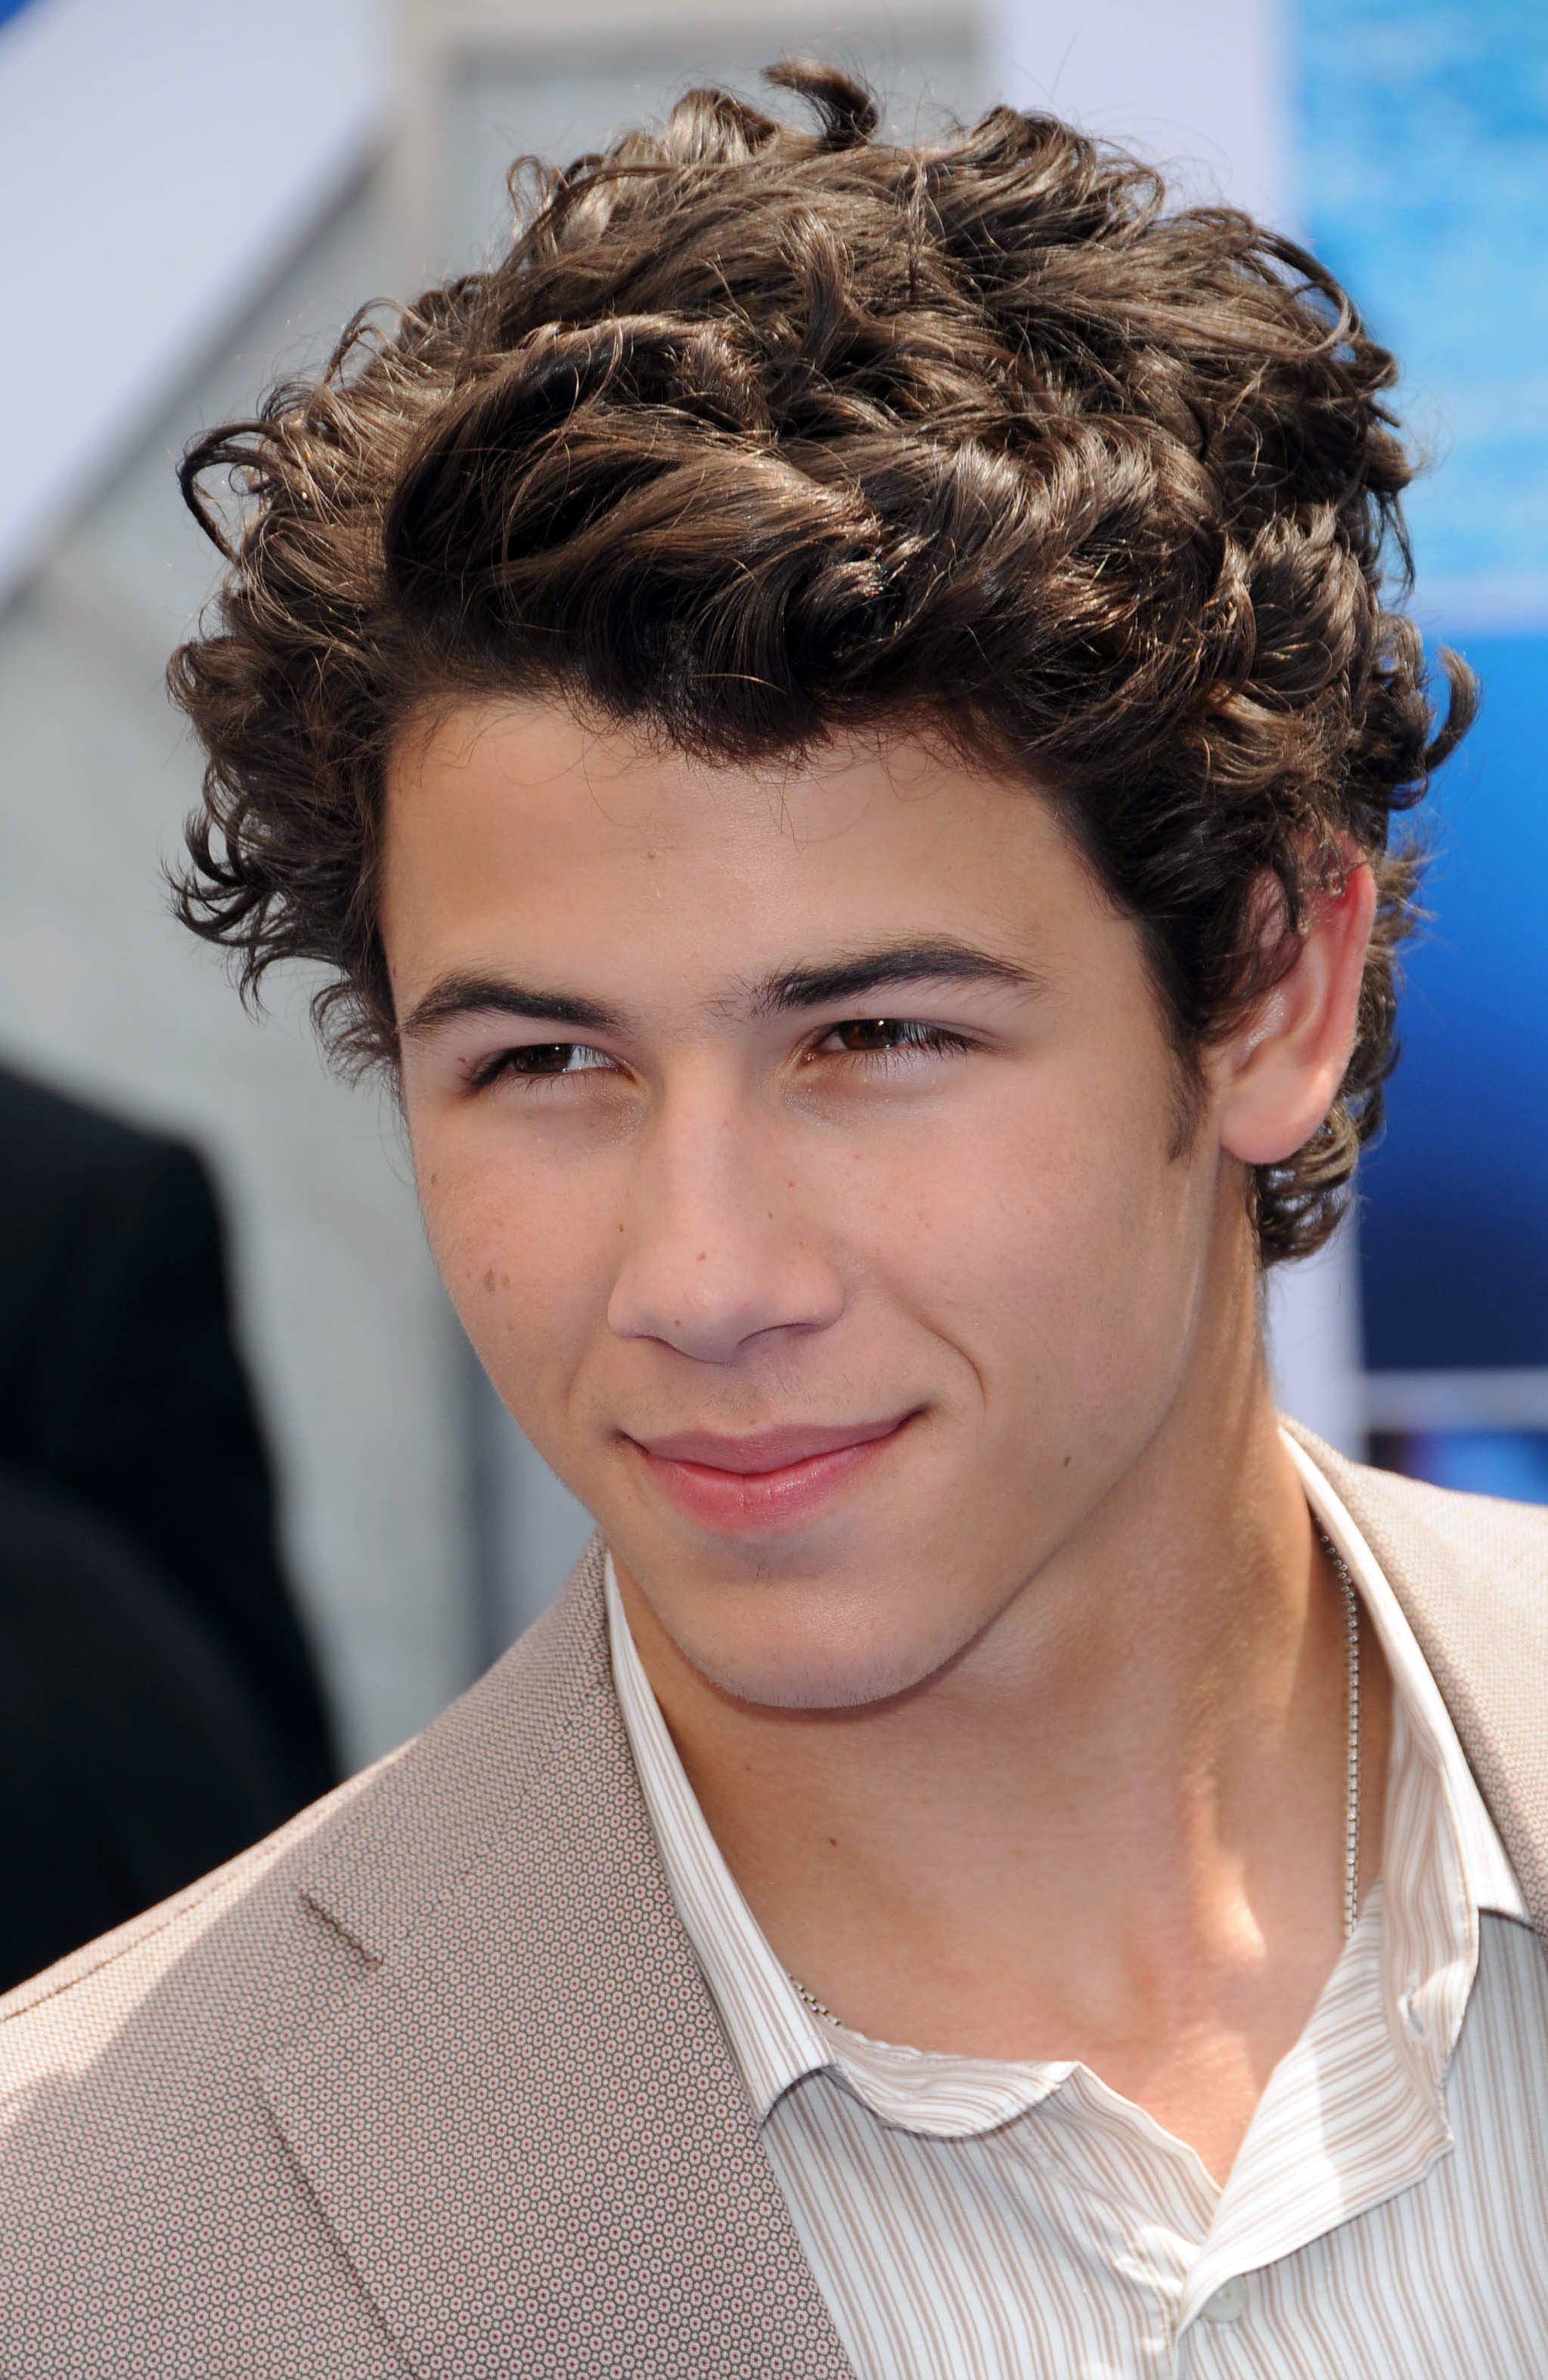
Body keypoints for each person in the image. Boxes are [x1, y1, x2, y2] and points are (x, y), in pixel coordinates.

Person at [2, 62, 1543, 2375]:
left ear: (1273, 990)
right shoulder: (96, 2245)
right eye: (545, 1067)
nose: (702, 1280)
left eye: (875, 1040)